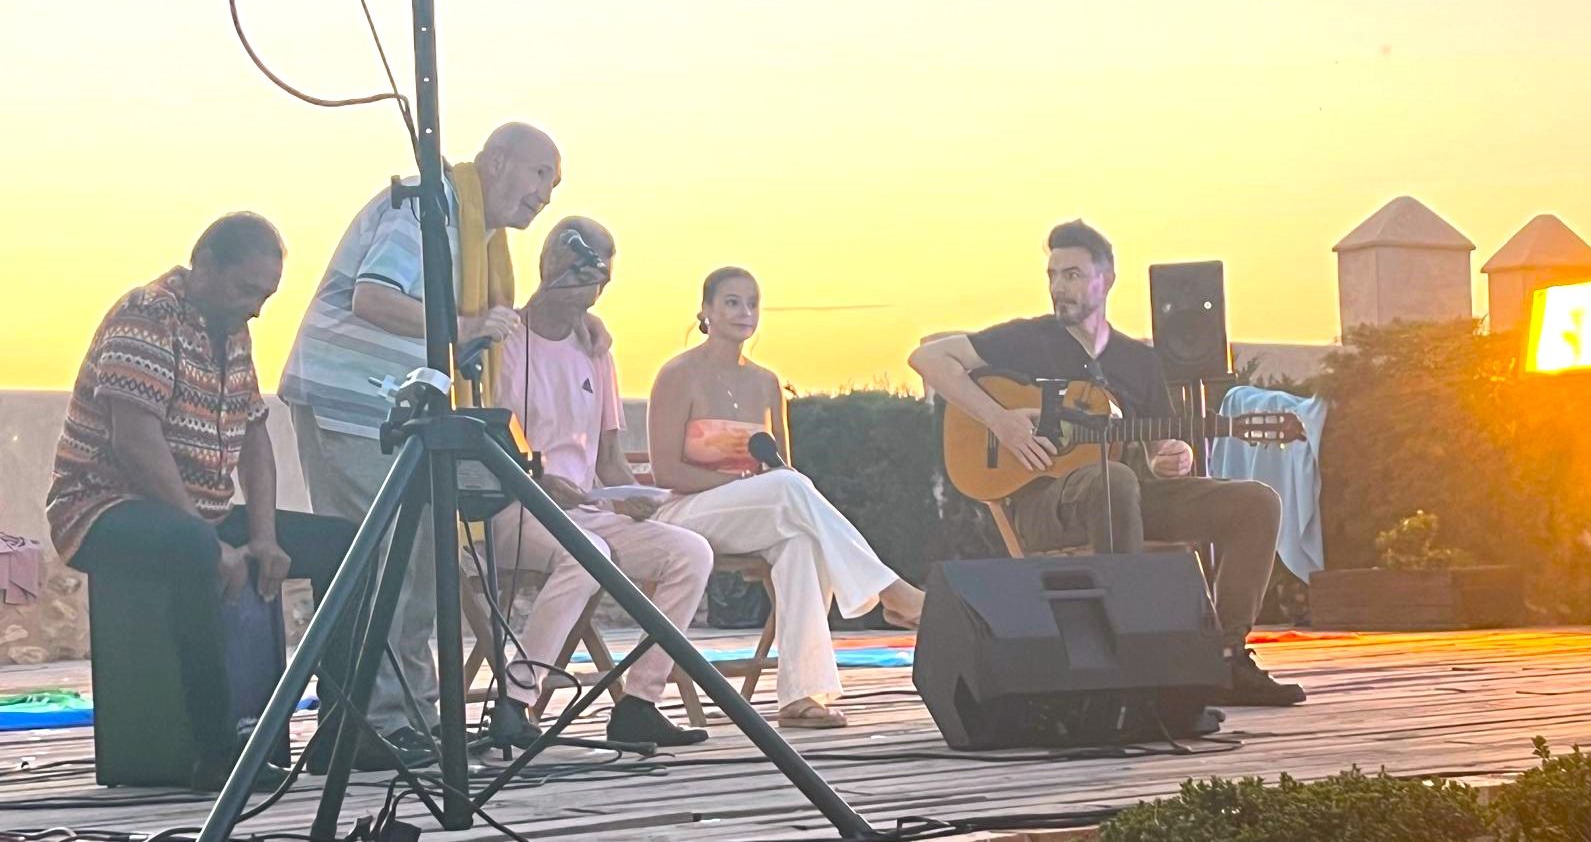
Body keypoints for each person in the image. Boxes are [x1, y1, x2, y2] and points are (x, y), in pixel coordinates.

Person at [279, 122, 600, 768]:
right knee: (388, 561)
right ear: (498, 159)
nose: (545, 195)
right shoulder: (430, 206)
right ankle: (380, 725)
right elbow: (374, 296)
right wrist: (466, 326)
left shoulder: (477, 232)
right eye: (540, 174)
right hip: (356, 403)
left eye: (554, 184)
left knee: (422, 556)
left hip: (401, 409)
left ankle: (408, 718)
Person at [908, 219, 1305, 706]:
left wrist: (1171, 456)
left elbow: (1162, 446)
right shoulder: (1027, 340)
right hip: (1049, 506)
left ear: (1106, 278)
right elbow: (927, 359)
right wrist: (1001, 421)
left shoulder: (1138, 361)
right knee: (1111, 479)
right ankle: (1131, 654)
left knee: (1255, 502)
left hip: (1132, 494)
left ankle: (1226, 659)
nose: (1059, 287)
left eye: (1072, 274)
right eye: (1053, 275)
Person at [45, 213, 359, 790]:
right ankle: (217, 752)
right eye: (247, 290)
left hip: (199, 511)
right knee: (192, 547)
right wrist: (209, 539)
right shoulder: (147, 314)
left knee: (346, 544)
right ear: (205, 264)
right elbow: (133, 439)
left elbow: (256, 434)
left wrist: (262, 535)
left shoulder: (234, 333)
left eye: (265, 296)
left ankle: (341, 733)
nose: (257, 308)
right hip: (102, 508)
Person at [648, 267, 925, 730]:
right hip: (688, 514)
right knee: (792, 491)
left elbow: (781, 469)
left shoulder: (767, 382)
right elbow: (666, 471)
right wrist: (738, 489)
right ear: (706, 311)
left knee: (802, 542)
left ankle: (802, 694)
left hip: (759, 513)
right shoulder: (678, 375)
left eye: (752, 303)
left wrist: (757, 489)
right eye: (732, 302)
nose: (745, 312)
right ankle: (890, 591)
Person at [487, 217, 712, 747]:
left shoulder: (595, 348)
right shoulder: (508, 342)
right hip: (515, 507)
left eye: (599, 279)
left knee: (690, 552)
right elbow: (493, 445)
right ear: (549, 267)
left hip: (587, 509)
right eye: (580, 272)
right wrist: (538, 478)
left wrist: (636, 498)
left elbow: (610, 458)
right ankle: (516, 701)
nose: (589, 288)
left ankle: (638, 702)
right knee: (586, 551)